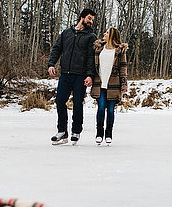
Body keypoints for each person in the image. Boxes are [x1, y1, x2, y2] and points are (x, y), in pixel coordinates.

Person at [47, 9, 97, 145]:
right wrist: (51, 64)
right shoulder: (66, 33)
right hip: (65, 74)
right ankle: (62, 132)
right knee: (60, 101)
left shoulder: (90, 37)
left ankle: (76, 131)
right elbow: (57, 49)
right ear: (81, 17)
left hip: (80, 76)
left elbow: (91, 58)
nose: (90, 21)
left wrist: (90, 75)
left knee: (77, 104)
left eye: (92, 20)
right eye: (89, 18)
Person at [90, 27, 128, 144]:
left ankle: (109, 133)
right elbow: (92, 66)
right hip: (99, 83)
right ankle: (99, 133)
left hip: (114, 84)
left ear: (112, 35)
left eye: (107, 33)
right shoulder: (98, 49)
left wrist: (124, 84)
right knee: (101, 107)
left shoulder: (119, 51)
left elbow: (123, 69)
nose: (104, 34)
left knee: (110, 110)